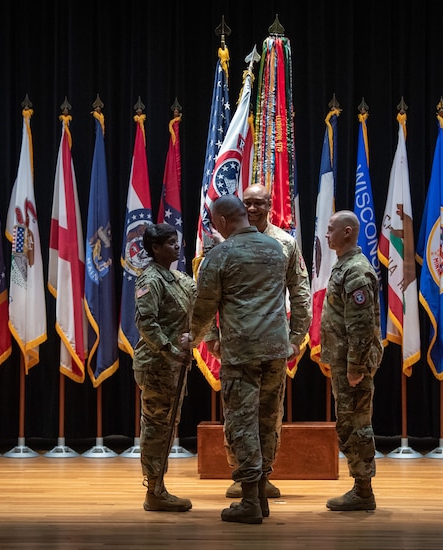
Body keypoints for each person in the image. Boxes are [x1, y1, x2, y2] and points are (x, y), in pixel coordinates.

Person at [189, 194, 299, 524]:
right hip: (276, 350)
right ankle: (262, 491)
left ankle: (250, 499)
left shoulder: (221, 254)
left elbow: (204, 308)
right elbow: (294, 292)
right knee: (268, 420)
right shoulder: (275, 249)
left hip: (242, 353)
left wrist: (189, 341)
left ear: (222, 221)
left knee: (242, 423)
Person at [218, 183, 312, 501]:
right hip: (237, 344)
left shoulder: (285, 243)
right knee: (237, 413)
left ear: (271, 205)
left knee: (269, 413)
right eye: (248, 203)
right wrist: (211, 337)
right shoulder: (226, 244)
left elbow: (300, 292)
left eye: (259, 203)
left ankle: (263, 476)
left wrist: (298, 336)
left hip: (272, 345)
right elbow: (208, 295)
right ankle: (244, 474)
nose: (253, 208)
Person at [320, 210, 383, 511]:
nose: (326, 233)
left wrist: (356, 367)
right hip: (345, 361)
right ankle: (360, 487)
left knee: (356, 426)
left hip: (352, 365)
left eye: (331, 229)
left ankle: (363, 490)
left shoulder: (356, 270)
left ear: (347, 232)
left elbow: (359, 325)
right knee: (348, 424)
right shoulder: (344, 267)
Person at [132, 223, 196, 513]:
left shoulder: (177, 278)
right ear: (155, 248)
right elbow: (146, 324)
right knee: (157, 428)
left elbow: (201, 291)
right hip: (157, 365)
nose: (176, 247)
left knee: (167, 426)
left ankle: (158, 486)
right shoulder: (150, 279)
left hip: (173, 367)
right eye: (169, 243)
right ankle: (153, 490)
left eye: (176, 242)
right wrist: (172, 352)